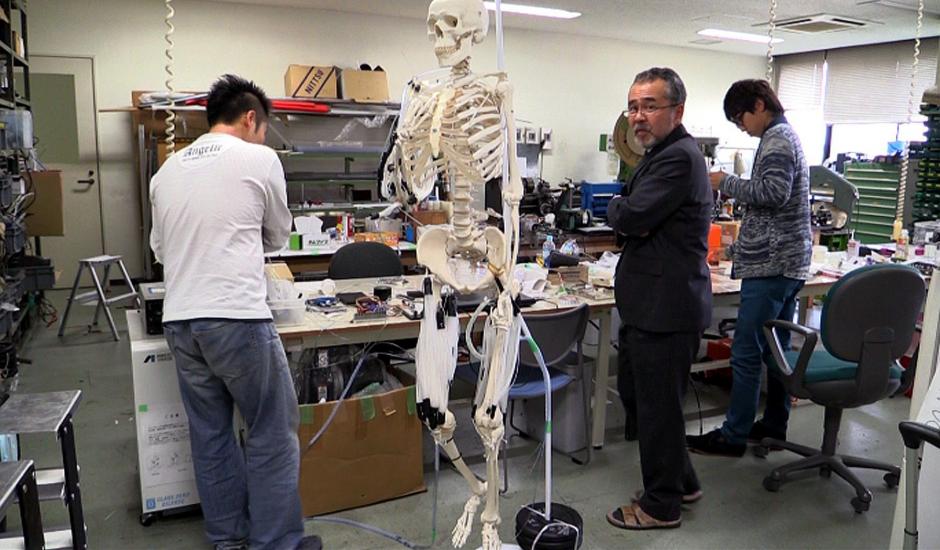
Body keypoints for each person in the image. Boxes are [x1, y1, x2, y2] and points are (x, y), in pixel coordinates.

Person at [150, 75, 320, 550]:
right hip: (237, 319)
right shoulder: (259, 159)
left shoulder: (166, 171)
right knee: (271, 432)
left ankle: (229, 540)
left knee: (211, 436)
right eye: (263, 128)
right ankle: (276, 543)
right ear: (250, 119)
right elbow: (278, 236)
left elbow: (160, 249)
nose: (262, 137)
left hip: (180, 320)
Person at [605, 67, 713, 530]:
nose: (638, 116)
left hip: (666, 309)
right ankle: (682, 481)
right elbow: (636, 217)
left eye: (650, 106)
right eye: (633, 107)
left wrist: (621, 210)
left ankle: (661, 506)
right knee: (646, 399)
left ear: (677, 111)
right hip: (651, 306)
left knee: (657, 409)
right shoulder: (662, 154)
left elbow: (631, 215)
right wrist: (631, 215)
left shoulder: (678, 159)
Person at [686, 79, 812, 457]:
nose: (741, 127)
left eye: (740, 118)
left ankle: (734, 435)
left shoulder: (776, 140)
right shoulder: (784, 137)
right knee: (777, 350)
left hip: (771, 264)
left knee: (746, 351)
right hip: (789, 261)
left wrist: (726, 182)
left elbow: (773, 193)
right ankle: (773, 423)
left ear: (759, 105)